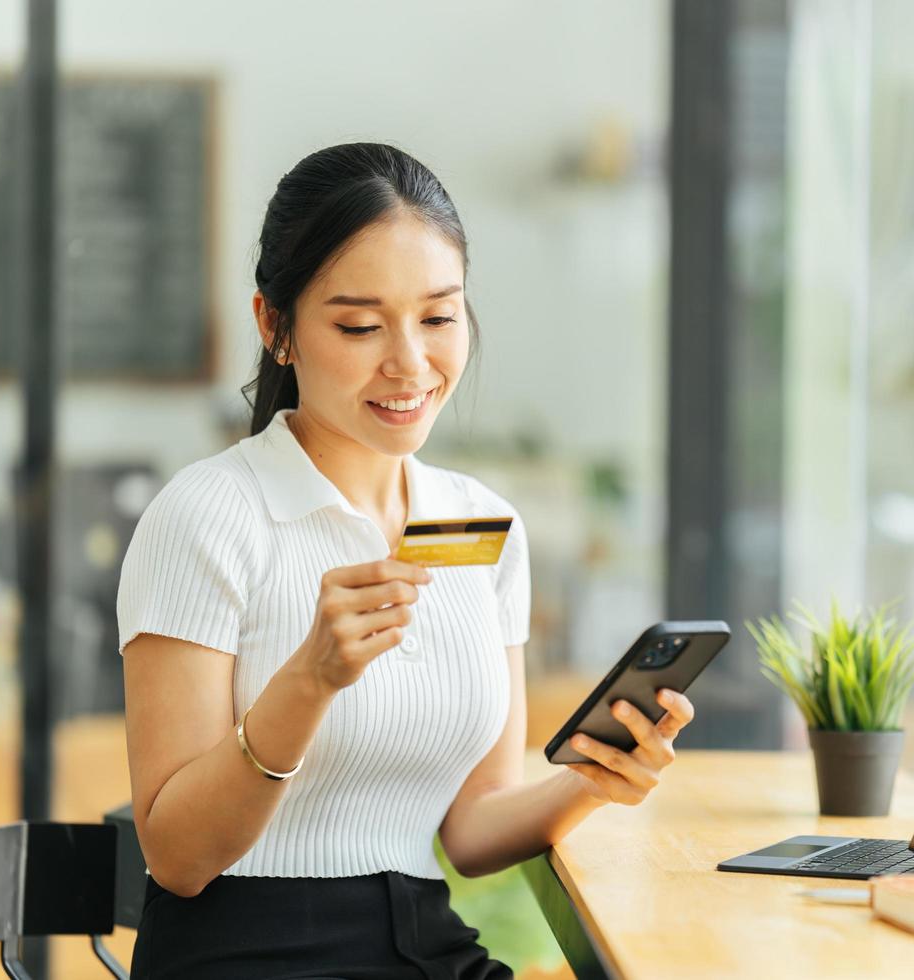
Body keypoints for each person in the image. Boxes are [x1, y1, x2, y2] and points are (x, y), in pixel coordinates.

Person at [117, 142, 696, 979]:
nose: (410, 364)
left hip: (425, 945)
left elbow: (472, 828)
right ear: (275, 328)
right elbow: (176, 856)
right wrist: (307, 681)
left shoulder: (482, 525)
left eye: (437, 317)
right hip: (246, 955)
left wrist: (599, 778)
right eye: (358, 325)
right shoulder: (207, 517)